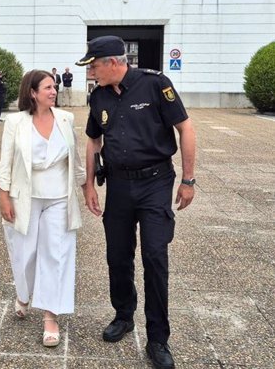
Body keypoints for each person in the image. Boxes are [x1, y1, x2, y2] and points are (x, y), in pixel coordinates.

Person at [78, 35, 196, 369]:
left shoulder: (156, 85)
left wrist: (188, 179)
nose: (91, 74)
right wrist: (89, 184)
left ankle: (158, 338)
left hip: (156, 183)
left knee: (155, 256)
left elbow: (186, 129)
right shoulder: (99, 96)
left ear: (114, 62)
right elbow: (92, 141)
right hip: (118, 185)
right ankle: (124, 314)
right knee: (117, 254)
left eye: (95, 67)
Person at [0, 69, 86, 347]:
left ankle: (50, 315)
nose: (53, 91)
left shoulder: (66, 119)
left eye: (54, 86)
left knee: (55, 253)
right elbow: (6, 161)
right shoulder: (16, 122)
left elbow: (76, 160)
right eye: (47, 87)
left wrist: (87, 189)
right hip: (26, 196)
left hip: (59, 196)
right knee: (26, 253)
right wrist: (3, 196)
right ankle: (24, 293)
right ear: (32, 92)